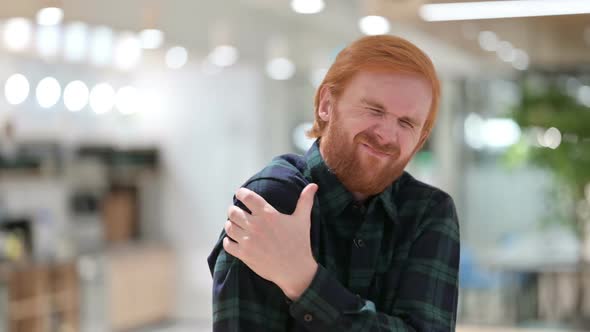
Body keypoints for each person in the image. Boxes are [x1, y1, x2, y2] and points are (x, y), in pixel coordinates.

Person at [207, 35, 460, 331]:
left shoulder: (427, 212)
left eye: (406, 123)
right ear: (327, 104)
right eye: (374, 110)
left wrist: (304, 281)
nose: (387, 135)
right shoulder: (271, 202)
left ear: (421, 139)